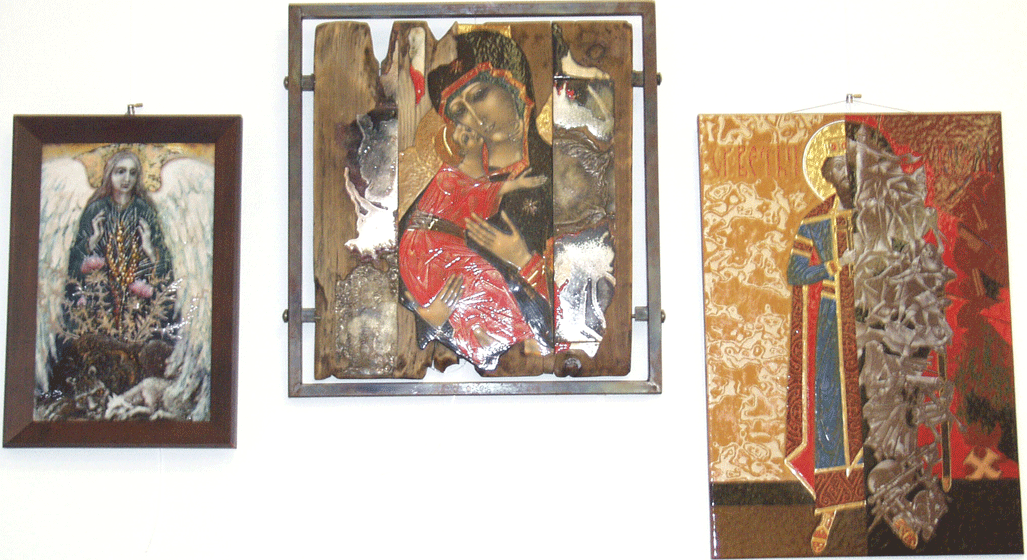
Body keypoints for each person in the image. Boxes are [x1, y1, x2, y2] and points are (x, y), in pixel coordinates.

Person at [399, 29, 554, 370]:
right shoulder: (446, 187)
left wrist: (523, 260)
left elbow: (584, 296)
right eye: (459, 110)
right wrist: (434, 316)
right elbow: (406, 278)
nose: (474, 115)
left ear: (514, 84)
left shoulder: (559, 176)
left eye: (480, 93)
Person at [785, 152, 866, 554]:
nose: (846, 176)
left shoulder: (876, 214)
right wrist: (831, 266)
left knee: (880, 407)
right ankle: (830, 508)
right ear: (829, 179)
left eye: (850, 168)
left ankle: (894, 501)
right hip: (834, 321)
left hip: (874, 319)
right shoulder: (816, 221)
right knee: (832, 408)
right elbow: (795, 272)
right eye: (838, 171)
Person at [67, 149, 173, 334]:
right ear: (109, 175)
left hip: (137, 298)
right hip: (101, 296)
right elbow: (74, 264)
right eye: (120, 171)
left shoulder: (144, 210)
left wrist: (149, 249)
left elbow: (165, 264)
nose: (127, 179)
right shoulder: (95, 209)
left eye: (133, 173)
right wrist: (92, 241)